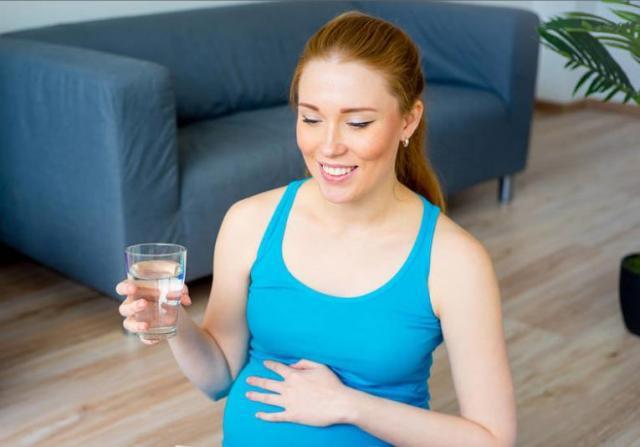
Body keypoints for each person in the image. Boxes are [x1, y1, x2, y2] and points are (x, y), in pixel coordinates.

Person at [116, 10, 516, 447]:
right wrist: (174, 323)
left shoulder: (454, 261)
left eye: (357, 122)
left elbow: (492, 440)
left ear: (408, 120)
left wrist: (348, 405)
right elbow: (218, 376)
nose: (328, 146)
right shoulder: (249, 223)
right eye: (310, 118)